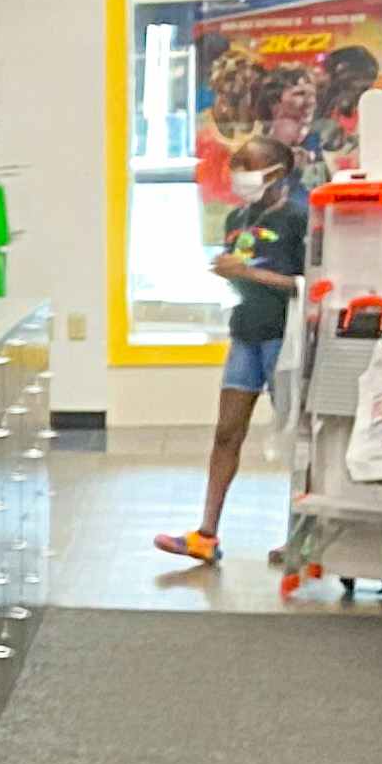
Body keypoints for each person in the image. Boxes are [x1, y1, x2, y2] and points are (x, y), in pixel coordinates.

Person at [157, 130, 307, 566]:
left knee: (297, 438)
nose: (239, 175)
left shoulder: (299, 219)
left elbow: (311, 285)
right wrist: (232, 273)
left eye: (248, 166)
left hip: (286, 335)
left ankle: (300, 534)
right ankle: (206, 533)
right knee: (226, 433)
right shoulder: (236, 220)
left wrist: (253, 274)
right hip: (246, 332)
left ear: (277, 173)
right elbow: (244, 271)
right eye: (236, 166)